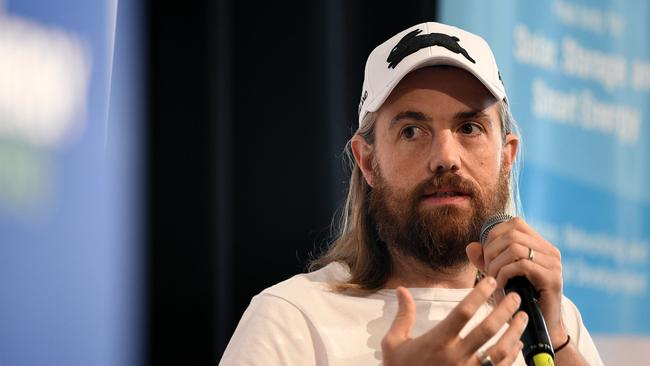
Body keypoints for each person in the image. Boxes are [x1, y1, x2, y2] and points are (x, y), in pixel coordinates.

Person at [220, 22, 603, 366]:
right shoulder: (292, 317)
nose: (445, 158)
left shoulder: (555, 321)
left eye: (469, 127)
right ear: (368, 162)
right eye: (411, 131)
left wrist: (558, 340)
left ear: (507, 156)